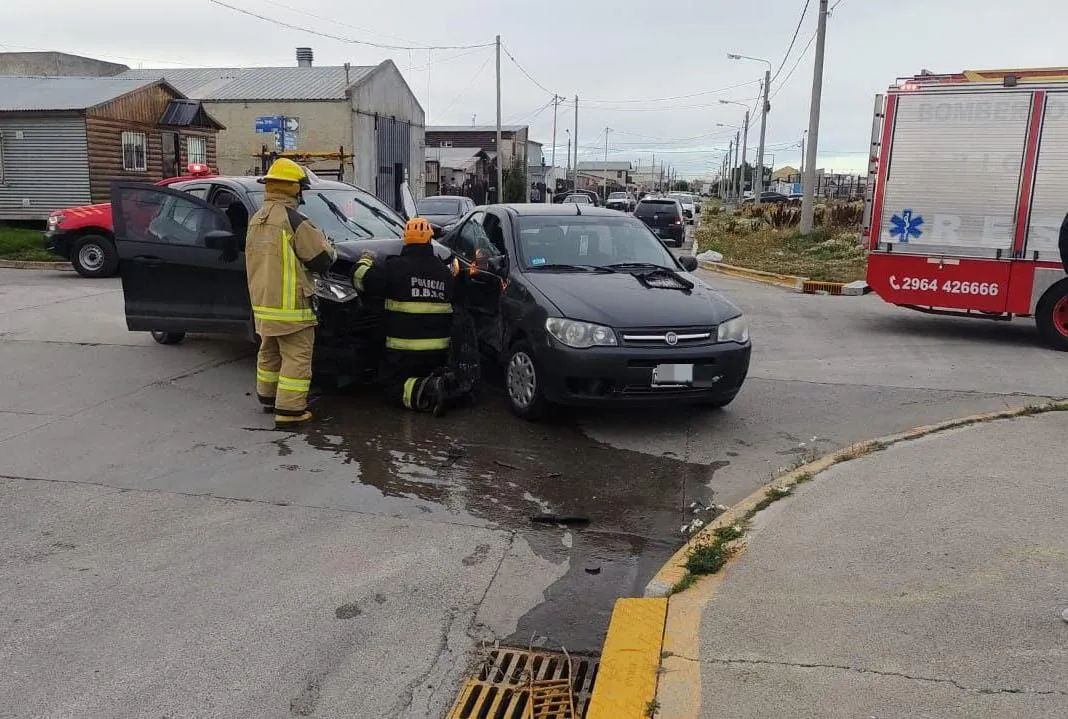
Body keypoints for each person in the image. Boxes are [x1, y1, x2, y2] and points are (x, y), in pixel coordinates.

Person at [246, 158, 337, 429]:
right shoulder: (294, 219)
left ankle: (268, 396)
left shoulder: (257, 219)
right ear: (295, 188)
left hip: (264, 304)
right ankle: (290, 411)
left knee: (270, 351)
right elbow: (320, 259)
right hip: (292, 306)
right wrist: (329, 247)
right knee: (296, 358)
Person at [352, 218, 460, 416]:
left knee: (392, 387)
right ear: (429, 240)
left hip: (402, 353)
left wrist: (366, 259)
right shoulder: (444, 273)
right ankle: (436, 381)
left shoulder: (394, 267)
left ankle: (431, 390)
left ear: (406, 241)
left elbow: (362, 279)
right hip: (439, 354)